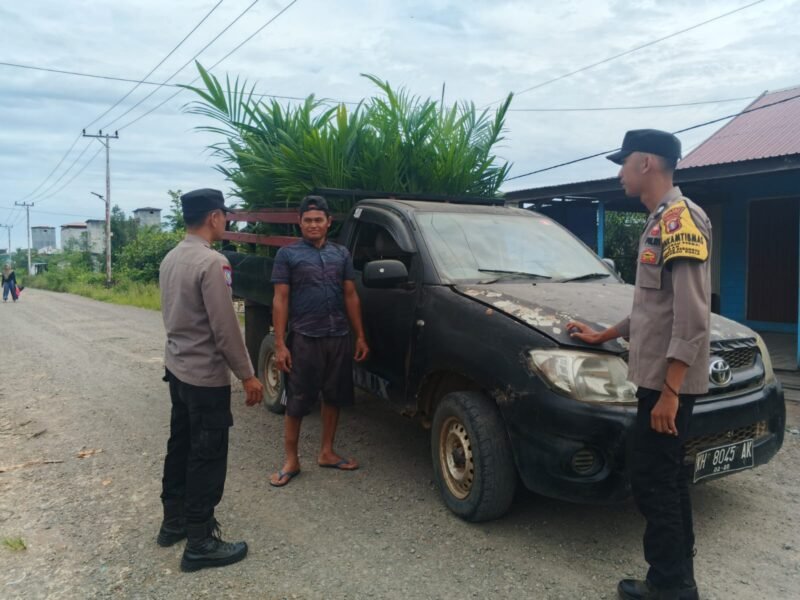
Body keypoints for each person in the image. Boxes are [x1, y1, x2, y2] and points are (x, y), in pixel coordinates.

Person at [567, 130, 711, 600]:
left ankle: (668, 586)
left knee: (654, 483)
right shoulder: (659, 220)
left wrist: (670, 392)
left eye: (624, 162)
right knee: (665, 478)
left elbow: (691, 316)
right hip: (657, 378)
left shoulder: (678, 221)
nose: (619, 172)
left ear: (646, 163)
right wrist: (604, 335)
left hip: (668, 384)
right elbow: (654, 308)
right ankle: (677, 581)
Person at [158, 188, 265, 573]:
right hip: (204, 378)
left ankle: (173, 523)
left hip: (179, 370)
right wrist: (249, 375)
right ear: (215, 217)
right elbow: (225, 329)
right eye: (225, 215)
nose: (226, 222)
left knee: (181, 445)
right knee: (207, 454)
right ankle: (200, 541)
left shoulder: (171, 258)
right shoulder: (212, 262)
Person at [269, 195, 370, 487]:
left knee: (334, 395)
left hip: (338, 336)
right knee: (298, 400)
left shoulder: (341, 255)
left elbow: (350, 295)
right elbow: (281, 299)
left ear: (328, 223)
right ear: (300, 223)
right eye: (308, 220)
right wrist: (280, 343)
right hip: (304, 337)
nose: (313, 225)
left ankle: (326, 452)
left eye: (318, 220)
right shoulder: (288, 256)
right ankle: (291, 460)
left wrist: (360, 335)